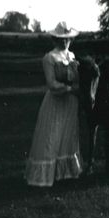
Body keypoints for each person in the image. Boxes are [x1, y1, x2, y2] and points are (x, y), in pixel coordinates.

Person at [25, 21, 82, 187]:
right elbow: (51, 83)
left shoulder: (72, 56)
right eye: (60, 39)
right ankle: (44, 175)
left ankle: (65, 173)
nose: (64, 42)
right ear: (54, 39)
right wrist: (69, 88)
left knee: (68, 135)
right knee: (52, 135)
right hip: (56, 101)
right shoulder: (49, 58)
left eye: (67, 39)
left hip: (70, 102)